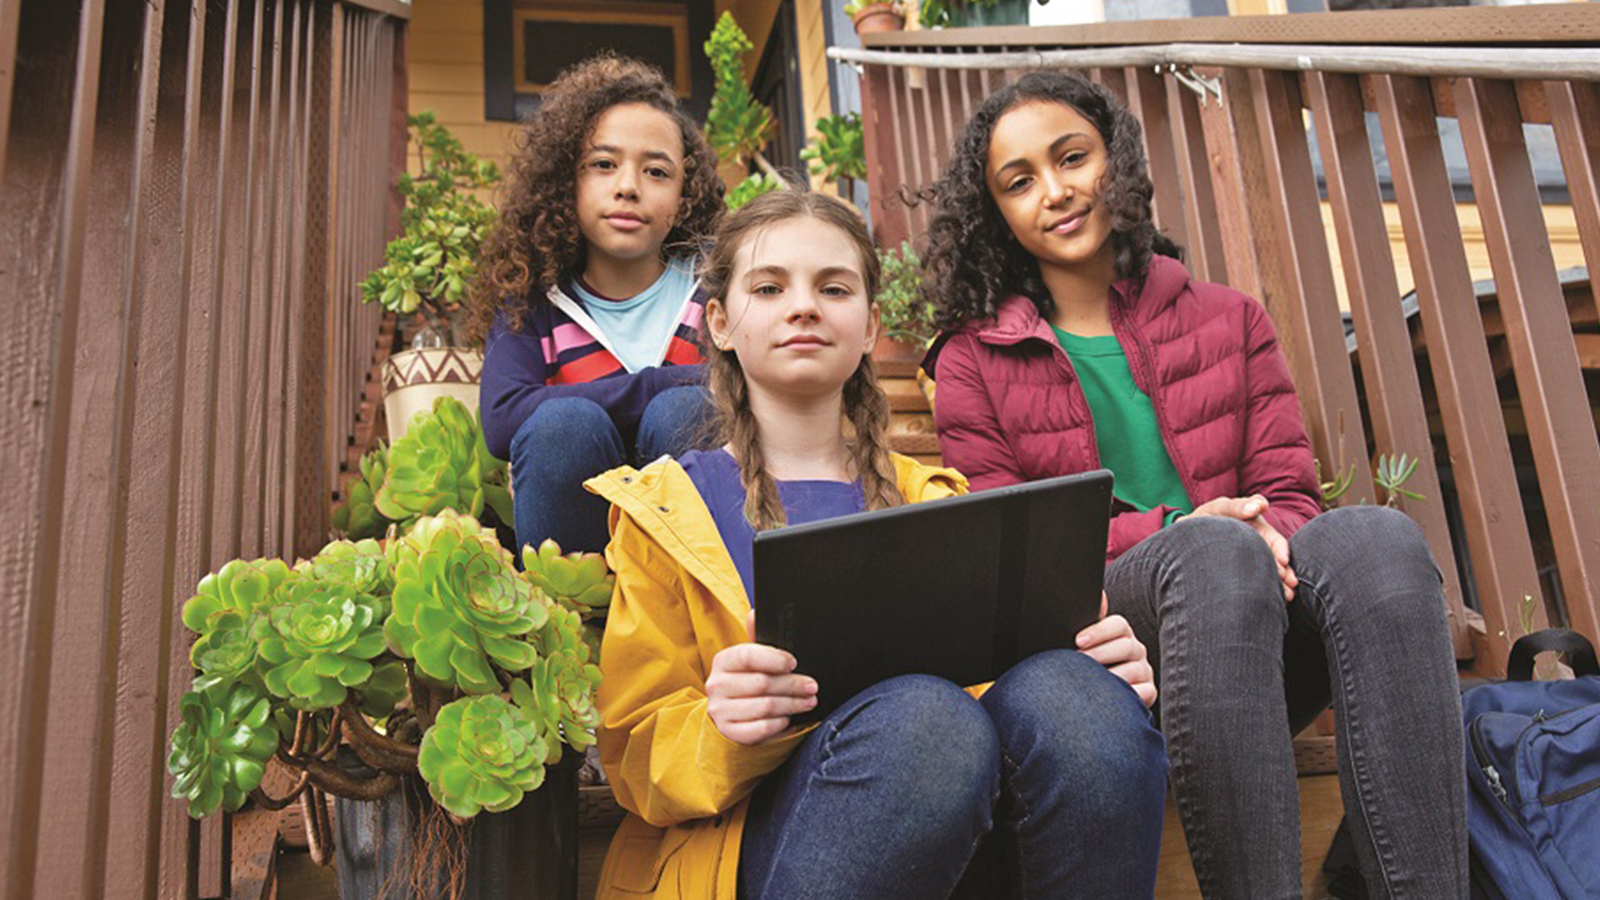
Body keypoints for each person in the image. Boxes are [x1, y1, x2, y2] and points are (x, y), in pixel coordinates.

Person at [922, 70, 1466, 900]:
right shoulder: (972, 359)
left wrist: (1264, 533)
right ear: (995, 210)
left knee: (1377, 537)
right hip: (1112, 653)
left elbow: (1289, 490)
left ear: (1119, 163)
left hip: (1253, 640)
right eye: (1019, 180)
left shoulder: (1227, 317)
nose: (1057, 192)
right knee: (1209, 549)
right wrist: (1188, 526)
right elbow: (1015, 548)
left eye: (1074, 158)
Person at [585, 190, 1169, 900]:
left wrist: (1099, 672)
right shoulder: (662, 511)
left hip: (958, 829)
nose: (803, 306)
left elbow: (1006, 699)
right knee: (924, 720)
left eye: (833, 288)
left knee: (1076, 695)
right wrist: (722, 728)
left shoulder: (942, 504)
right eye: (769, 288)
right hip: (753, 851)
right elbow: (632, 757)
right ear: (720, 323)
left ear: (869, 328)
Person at [468, 54, 724, 555]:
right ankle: (572, 622)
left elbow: (750, 387)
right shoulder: (531, 298)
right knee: (565, 426)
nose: (627, 186)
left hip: (694, 562)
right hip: (575, 551)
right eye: (603, 165)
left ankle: (703, 615)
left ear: (685, 194)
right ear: (568, 181)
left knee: (687, 411)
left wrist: (658, 396)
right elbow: (502, 419)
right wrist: (651, 384)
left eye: (656, 171)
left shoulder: (717, 287)